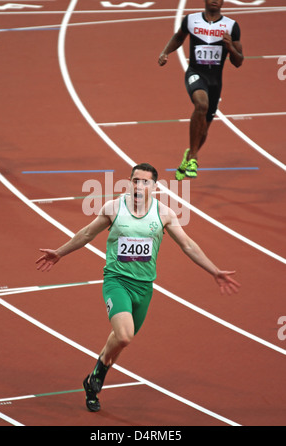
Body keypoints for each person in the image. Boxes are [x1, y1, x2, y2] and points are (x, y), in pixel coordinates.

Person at [36, 163, 240, 412]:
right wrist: (59, 252)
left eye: (145, 182)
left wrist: (214, 270)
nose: (138, 186)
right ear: (129, 182)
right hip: (117, 281)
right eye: (135, 180)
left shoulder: (164, 214)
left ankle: (93, 380)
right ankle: (99, 372)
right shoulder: (114, 208)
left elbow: (187, 245)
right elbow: (87, 233)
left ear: (155, 186)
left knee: (121, 341)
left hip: (144, 288)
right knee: (124, 335)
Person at [158, 0, 243, 179]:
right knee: (201, 104)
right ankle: (194, 157)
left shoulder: (231, 26)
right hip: (196, 73)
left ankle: (188, 156)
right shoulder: (191, 20)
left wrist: (230, 47)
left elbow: (239, 62)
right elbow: (178, 37)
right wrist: (165, 53)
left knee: (203, 128)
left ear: (223, 0)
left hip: (215, 80)